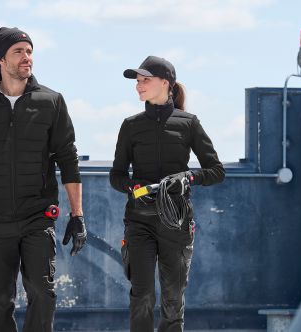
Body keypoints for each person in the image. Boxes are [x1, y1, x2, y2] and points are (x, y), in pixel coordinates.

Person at [0, 27, 86, 332]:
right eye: (18, 51)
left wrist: (78, 216)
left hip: (38, 217)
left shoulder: (51, 101)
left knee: (43, 294)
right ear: (1, 60)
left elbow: (68, 160)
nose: (27, 57)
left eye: (29, 51)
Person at [109, 56, 226, 332]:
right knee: (142, 297)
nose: (138, 85)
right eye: (137, 81)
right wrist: (132, 186)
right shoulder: (131, 125)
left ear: (165, 83)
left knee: (173, 300)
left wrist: (188, 178)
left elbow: (216, 171)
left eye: (145, 80)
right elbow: (116, 176)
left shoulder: (189, 123)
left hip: (176, 223)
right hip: (139, 223)